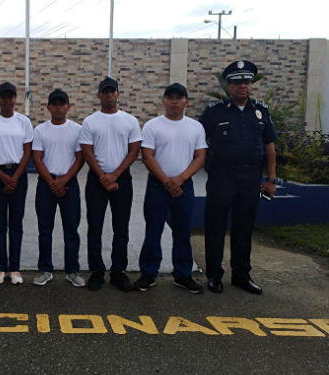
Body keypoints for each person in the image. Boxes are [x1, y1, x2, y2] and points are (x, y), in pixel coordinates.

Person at [199, 60, 277, 295]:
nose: (242, 86)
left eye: (246, 81)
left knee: (244, 228)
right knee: (215, 227)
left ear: (251, 84)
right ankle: (214, 275)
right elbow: (199, 143)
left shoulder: (261, 111)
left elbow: (270, 147)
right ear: (228, 86)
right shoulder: (214, 112)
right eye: (236, 82)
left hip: (251, 176)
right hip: (222, 175)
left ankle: (241, 275)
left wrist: (271, 180)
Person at [135, 83, 207, 294]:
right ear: (164, 101)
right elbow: (147, 156)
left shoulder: (195, 127)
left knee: (183, 232)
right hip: (158, 186)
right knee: (153, 231)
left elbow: (200, 156)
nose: (174, 101)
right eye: (170, 97)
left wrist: (181, 179)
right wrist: (167, 181)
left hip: (184, 186)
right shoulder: (152, 126)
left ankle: (183, 275)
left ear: (186, 101)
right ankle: (148, 273)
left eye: (179, 97)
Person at [80, 76, 142, 291]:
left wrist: (115, 175)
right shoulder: (90, 121)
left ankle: (118, 271)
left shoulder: (129, 121)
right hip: (97, 180)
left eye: (112, 91)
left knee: (121, 227)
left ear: (118, 94)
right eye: (104, 92)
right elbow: (87, 152)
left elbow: (134, 150)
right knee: (95, 227)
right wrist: (104, 177)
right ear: (98, 95)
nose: (108, 95)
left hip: (122, 180)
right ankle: (97, 271)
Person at [31, 89, 85, 287]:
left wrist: (63, 181)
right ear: (48, 108)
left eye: (62, 104)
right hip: (46, 184)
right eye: (54, 104)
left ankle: (72, 270)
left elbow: (80, 159)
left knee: (71, 229)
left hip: (69, 184)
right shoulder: (40, 130)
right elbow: (37, 158)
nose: (58, 108)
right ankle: (45, 269)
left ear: (68, 107)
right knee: (45, 229)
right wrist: (52, 182)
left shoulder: (77, 130)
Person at [0, 82, 33, 285]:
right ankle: (0, 268)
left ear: (15, 99)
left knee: (16, 223)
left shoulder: (23, 122)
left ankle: (15, 268)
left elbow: (27, 151)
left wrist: (15, 177)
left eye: (11, 96)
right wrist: (3, 177)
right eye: (3, 97)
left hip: (19, 174)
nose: (7, 100)